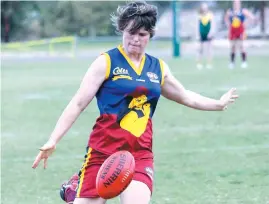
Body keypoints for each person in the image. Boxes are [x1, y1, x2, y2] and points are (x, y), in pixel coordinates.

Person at [32, 1, 239, 204]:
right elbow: (78, 103)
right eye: (131, 33)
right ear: (122, 30)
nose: (135, 39)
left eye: (142, 35)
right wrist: (53, 140)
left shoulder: (157, 68)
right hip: (103, 151)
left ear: (150, 35)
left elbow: (185, 95)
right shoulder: (106, 62)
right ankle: (76, 189)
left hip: (139, 154)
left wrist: (218, 104)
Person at [224, 0, 256, 69]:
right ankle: (232, 63)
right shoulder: (230, 11)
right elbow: (226, 19)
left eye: (237, 3)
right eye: (235, 3)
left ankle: (244, 62)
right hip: (233, 32)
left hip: (241, 31)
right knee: (233, 47)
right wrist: (228, 25)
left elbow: (252, 17)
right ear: (233, 4)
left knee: (242, 47)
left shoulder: (243, 11)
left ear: (240, 4)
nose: (236, 4)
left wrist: (246, 23)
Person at [196, 3, 215, 70]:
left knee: (209, 50)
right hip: (202, 34)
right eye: (203, 7)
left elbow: (212, 24)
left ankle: (209, 63)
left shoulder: (210, 15)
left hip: (208, 34)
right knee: (200, 49)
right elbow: (198, 25)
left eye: (205, 7)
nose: (204, 9)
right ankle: (199, 63)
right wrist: (198, 34)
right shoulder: (199, 16)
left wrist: (211, 33)